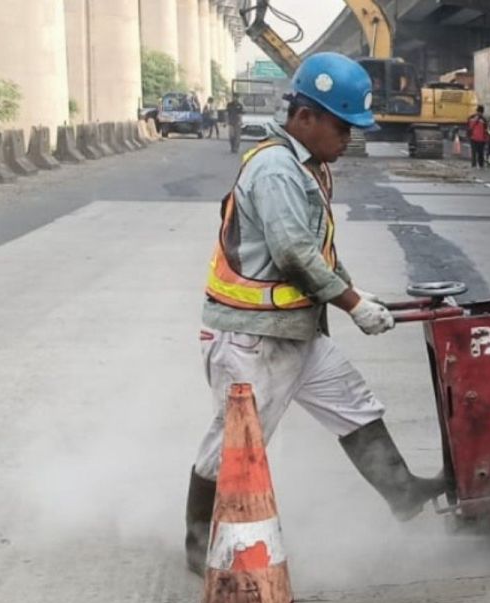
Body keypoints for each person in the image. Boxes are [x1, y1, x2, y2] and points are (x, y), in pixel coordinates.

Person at [184, 52, 447, 576]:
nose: (348, 138)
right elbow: (292, 254)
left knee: (355, 405)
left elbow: (318, 251)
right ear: (304, 117)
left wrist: (354, 291)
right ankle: (199, 547)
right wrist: (352, 305)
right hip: (253, 338)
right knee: (236, 446)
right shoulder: (277, 169)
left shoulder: (309, 166)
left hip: (296, 330)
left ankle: (403, 494)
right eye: (341, 125)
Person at [466, 105, 489, 169]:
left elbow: (468, 127)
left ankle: (474, 165)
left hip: (473, 138)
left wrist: (468, 135)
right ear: (482, 112)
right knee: (480, 152)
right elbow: (486, 130)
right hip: (481, 139)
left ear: (477, 111)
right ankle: (481, 165)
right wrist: (486, 139)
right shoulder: (484, 119)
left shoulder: (471, 117)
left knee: (474, 152)